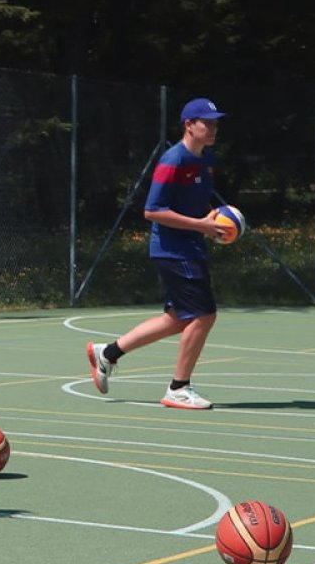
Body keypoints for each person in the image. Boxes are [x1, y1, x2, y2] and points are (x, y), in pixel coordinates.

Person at [83, 98, 234, 411]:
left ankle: (108, 353)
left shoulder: (206, 161)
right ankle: (178, 388)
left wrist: (216, 223)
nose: (213, 127)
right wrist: (201, 226)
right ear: (189, 124)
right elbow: (152, 211)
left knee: (179, 318)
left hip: (189, 246)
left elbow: (194, 207)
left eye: (216, 122)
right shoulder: (173, 160)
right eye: (207, 122)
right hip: (173, 250)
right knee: (204, 315)